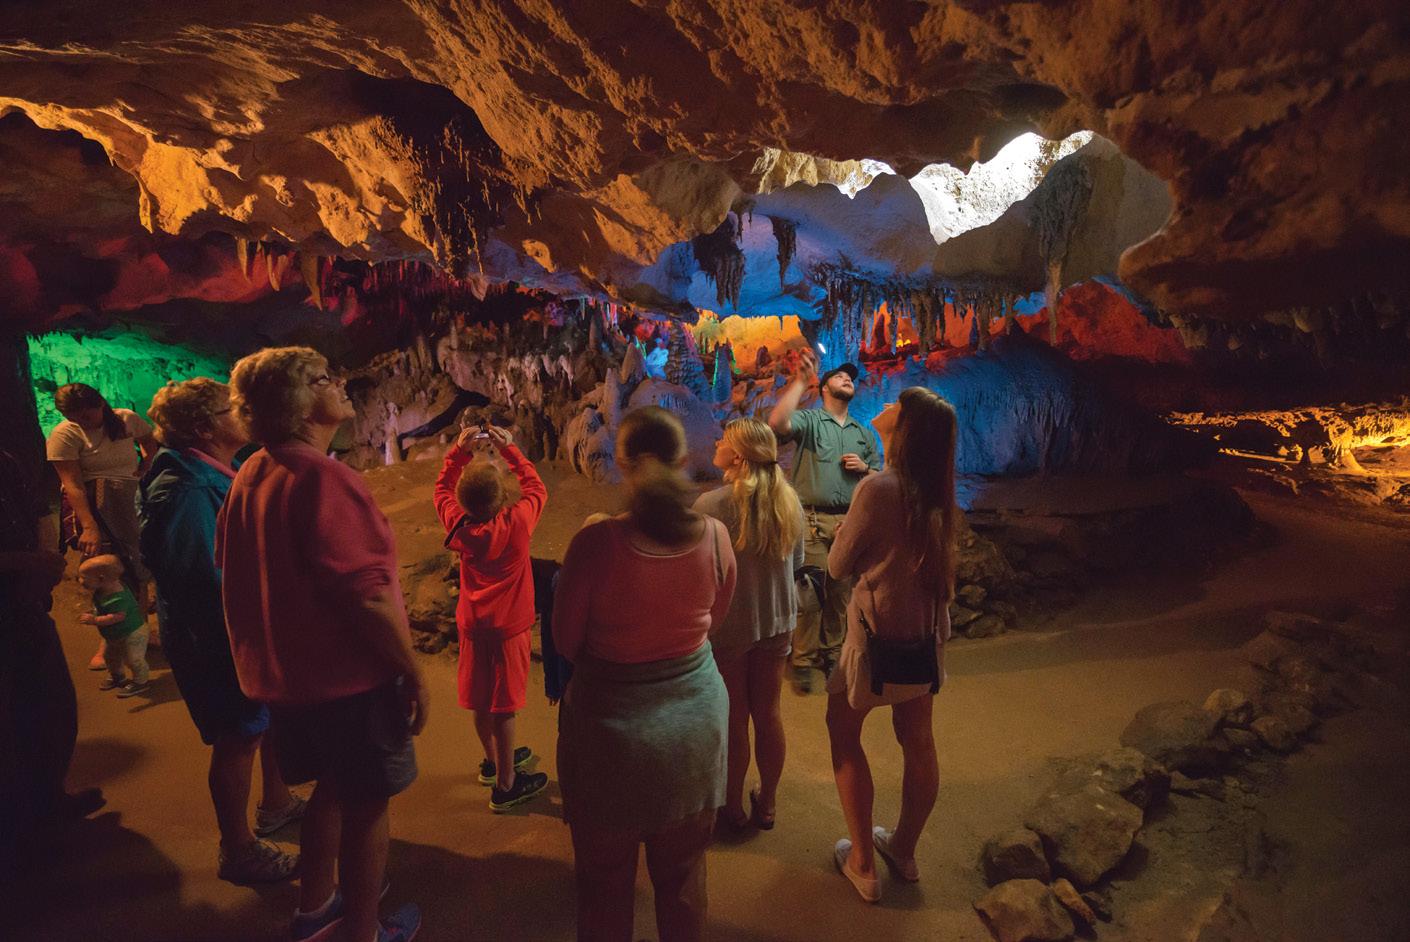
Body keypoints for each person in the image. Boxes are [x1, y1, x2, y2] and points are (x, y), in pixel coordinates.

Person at [216, 347, 425, 942]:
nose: (340, 383)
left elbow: (229, 562)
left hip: (290, 680)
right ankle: (362, 930)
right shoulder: (322, 478)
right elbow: (366, 594)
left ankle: (314, 907)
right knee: (367, 805)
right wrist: (411, 669)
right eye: (322, 378)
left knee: (330, 790)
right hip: (347, 682)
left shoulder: (253, 472)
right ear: (297, 402)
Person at [555, 406, 737, 942]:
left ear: (622, 461)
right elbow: (714, 623)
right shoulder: (715, 537)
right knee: (683, 882)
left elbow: (566, 642)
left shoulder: (595, 545)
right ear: (682, 458)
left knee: (604, 887)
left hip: (607, 739)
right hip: (692, 734)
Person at [138, 378, 302, 885]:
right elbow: (198, 579)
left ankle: (276, 803)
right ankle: (237, 848)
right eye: (231, 409)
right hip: (218, 636)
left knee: (263, 718)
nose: (242, 414)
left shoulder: (205, 472)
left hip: (238, 627)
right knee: (238, 736)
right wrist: (250, 630)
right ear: (204, 428)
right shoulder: (185, 490)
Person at [824, 387, 957, 903]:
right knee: (918, 739)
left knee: (842, 732)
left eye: (897, 405)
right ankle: (903, 849)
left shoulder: (879, 488)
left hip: (876, 643)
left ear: (905, 429)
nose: (885, 406)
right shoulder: (935, 488)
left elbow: (839, 565)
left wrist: (844, 536)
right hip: (924, 639)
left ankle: (862, 863)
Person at [693, 419, 804, 832]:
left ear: (738, 456)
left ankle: (733, 807)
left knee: (735, 716)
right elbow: (796, 564)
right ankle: (768, 803)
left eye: (724, 439)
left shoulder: (711, 506)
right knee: (769, 713)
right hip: (777, 619)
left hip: (733, 623)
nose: (717, 442)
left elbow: (701, 570)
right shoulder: (789, 501)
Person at [434, 421, 549, 811]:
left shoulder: (458, 524)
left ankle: (491, 760)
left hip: (473, 624)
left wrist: (458, 453)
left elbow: (441, 490)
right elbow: (537, 488)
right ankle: (506, 785)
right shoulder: (516, 524)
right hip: (508, 629)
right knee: (504, 706)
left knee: (482, 698)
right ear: (501, 498)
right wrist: (511, 449)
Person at [0, 441, 103, 874]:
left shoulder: (5, 459)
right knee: (9, 728)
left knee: (49, 709)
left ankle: (46, 799)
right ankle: (20, 839)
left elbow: (33, 509)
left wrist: (44, 560)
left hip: (23, 604)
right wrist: (27, 562)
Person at [767, 349, 879, 693]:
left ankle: (832, 654)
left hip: (849, 522)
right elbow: (777, 424)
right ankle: (802, 659)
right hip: (812, 521)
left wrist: (865, 468)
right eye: (839, 376)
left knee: (840, 596)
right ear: (825, 388)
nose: (847, 379)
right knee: (809, 594)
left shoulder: (863, 433)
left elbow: (880, 476)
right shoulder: (810, 421)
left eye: (850, 378)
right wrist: (801, 381)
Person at [46, 382, 158, 670]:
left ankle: (139, 630)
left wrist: (145, 467)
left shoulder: (125, 419)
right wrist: (89, 526)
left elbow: (150, 442)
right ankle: (110, 640)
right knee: (105, 570)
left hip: (128, 499)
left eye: (86, 415)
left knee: (136, 563)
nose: (82, 422)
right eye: (74, 417)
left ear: (100, 404)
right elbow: (72, 483)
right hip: (93, 503)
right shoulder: (65, 434)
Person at [76, 554, 150, 697]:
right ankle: (117, 676)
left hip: (132, 632)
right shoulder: (103, 590)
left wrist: (95, 620)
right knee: (110, 656)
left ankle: (141, 681)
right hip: (115, 634)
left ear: (101, 579)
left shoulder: (118, 597)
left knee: (133, 659)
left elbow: (117, 617)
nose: (80, 581)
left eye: (84, 578)